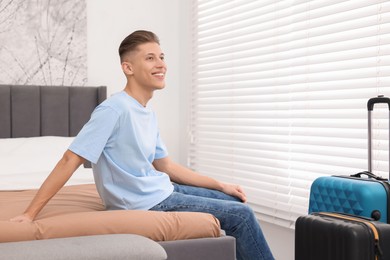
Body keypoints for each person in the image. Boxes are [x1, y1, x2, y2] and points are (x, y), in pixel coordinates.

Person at [10, 30, 274, 260]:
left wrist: (221, 184)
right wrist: (30, 213)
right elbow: (71, 159)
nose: (161, 64)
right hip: (144, 202)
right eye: (150, 58)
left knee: (232, 199)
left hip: (160, 189)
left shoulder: (145, 111)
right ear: (128, 68)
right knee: (242, 216)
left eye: (162, 57)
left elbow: (166, 166)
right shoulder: (113, 109)